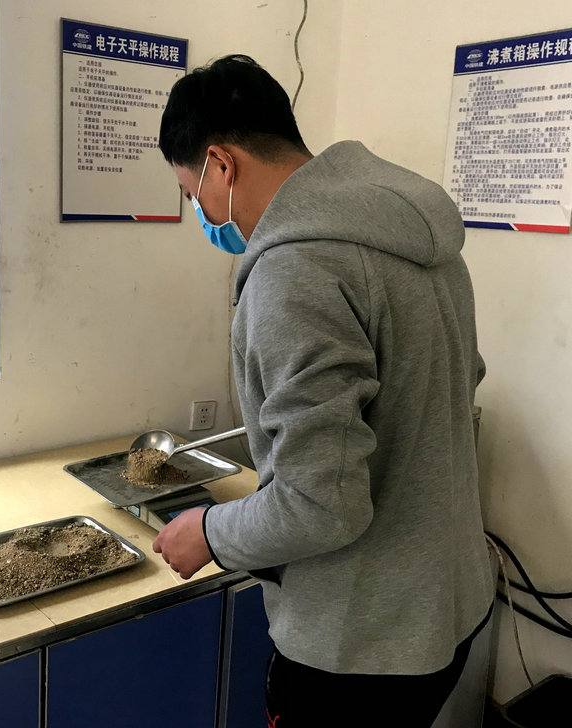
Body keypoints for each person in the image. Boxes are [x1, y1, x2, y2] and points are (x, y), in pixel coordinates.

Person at [152, 54, 493, 727]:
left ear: (220, 165)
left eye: (192, 193)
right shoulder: (420, 232)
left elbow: (321, 506)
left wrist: (211, 533)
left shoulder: (295, 268)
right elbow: (461, 384)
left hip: (360, 643)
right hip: (448, 604)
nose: (202, 213)